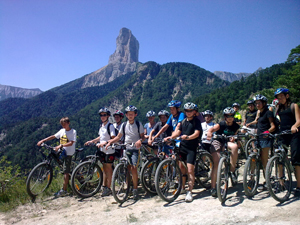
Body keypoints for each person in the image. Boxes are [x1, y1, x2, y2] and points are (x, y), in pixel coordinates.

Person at [165, 102, 202, 202]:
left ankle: (189, 192)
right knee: (181, 169)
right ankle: (182, 188)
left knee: (190, 170)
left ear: (194, 112)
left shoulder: (196, 121)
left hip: (191, 148)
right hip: (183, 147)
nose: (188, 112)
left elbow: (197, 133)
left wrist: (188, 137)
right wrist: (170, 137)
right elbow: (178, 132)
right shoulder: (183, 121)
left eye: (190, 111)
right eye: (186, 111)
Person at [106, 105, 145, 200]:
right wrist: (110, 142)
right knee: (127, 168)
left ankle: (135, 189)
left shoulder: (138, 124)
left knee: (134, 168)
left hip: (135, 149)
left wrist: (140, 141)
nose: (130, 115)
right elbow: (118, 137)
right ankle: (129, 188)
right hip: (126, 148)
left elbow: (142, 136)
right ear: (126, 115)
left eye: (132, 114)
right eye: (128, 114)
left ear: (135, 114)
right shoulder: (124, 125)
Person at [37, 117, 76, 197]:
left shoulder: (73, 131)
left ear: (68, 123)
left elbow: (71, 143)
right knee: (63, 166)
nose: (63, 126)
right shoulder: (62, 131)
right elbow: (53, 136)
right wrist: (43, 140)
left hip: (68, 153)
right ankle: (67, 183)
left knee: (66, 171)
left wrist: (61, 145)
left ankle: (64, 191)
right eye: (62, 124)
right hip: (62, 151)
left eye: (64, 124)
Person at [207, 107, 240, 197]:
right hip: (217, 141)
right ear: (225, 116)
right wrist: (209, 133)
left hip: (227, 141)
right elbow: (211, 129)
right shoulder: (221, 124)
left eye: (232, 115)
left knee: (235, 147)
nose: (230, 117)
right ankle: (213, 188)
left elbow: (235, 135)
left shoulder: (236, 126)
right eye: (228, 116)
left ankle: (232, 171)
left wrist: (234, 137)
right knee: (216, 164)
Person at [84, 107, 116, 197]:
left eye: (104, 115)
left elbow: (113, 138)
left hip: (109, 150)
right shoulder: (101, 126)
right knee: (104, 168)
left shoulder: (111, 126)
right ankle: (104, 186)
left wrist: (105, 143)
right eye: (101, 115)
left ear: (108, 116)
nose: (102, 116)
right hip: (102, 150)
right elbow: (100, 137)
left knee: (108, 169)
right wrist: (92, 141)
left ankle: (109, 188)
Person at [274, 88, 300, 196]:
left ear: (287, 96)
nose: (280, 98)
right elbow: (277, 121)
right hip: (283, 133)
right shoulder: (278, 107)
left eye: (282, 96)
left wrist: (294, 126)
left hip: (294, 133)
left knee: (296, 158)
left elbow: (299, 120)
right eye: (278, 97)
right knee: (280, 158)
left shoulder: (294, 106)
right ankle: (281, 183)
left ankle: (299, 186)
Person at [254, 94, 276, 189]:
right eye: (256, 103)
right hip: (258, 137)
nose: (257, 105)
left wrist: (267, 131)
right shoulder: (260, 113)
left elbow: (273, 126)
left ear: (264, 103)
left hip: (265, 139)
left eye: (259, 103)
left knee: (264, 161)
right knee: (254, 157)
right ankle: (252, 179)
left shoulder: (268, 112)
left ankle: (267, 181)